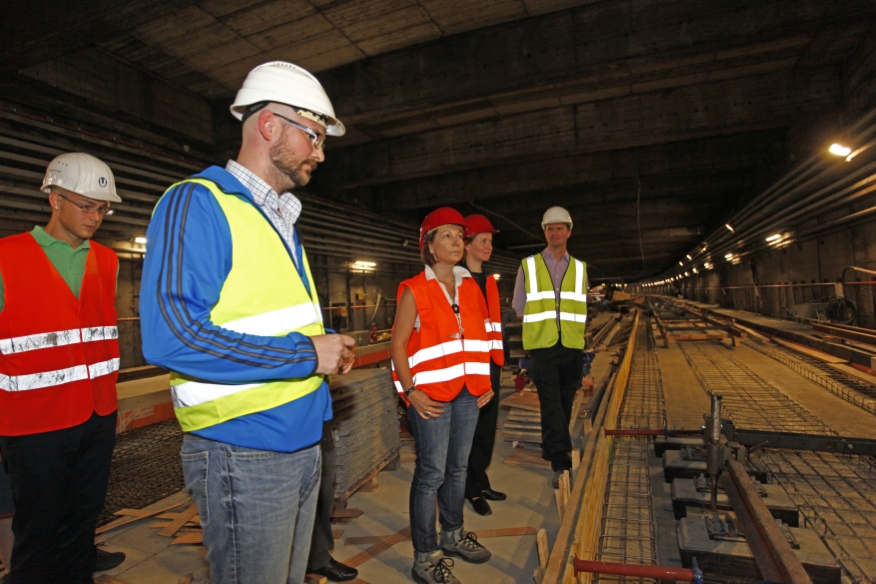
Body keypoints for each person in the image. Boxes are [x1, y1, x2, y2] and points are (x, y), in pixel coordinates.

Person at [139, 61, 356, 584]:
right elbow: (172, 335)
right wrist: (306, 355)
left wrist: (324, 351)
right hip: (244, 451)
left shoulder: (279, 217)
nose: (320, 153)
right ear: (269, 126)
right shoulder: (197, 203)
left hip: (301, 441)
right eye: (314, 136)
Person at [0, 153, 126, 583]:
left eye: (103, 207)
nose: (96, 216)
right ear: (54, 199)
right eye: (86, 205)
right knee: (36, 532)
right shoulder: (5, 257)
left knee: (81, 526)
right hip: (33, 424)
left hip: (97, 416)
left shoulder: (107, 261)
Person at [391, 207, 494, 584]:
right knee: (430, 474)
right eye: (446, 235)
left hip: (468, 393)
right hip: (430, 397)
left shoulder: (470, 287)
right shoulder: (414, 290)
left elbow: (479, 339)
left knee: (458, 469)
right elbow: (398, 346)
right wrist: (410, 392)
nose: (455, 241)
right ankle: (425, 555)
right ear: (430, 247)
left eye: (458, 235)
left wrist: (485, 383)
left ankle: (452, 534)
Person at [511, 206, 588, 489]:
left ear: (569, 231)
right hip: (543, 346)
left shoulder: (580, 268)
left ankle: (554, 446)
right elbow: (519, 308)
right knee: (552, 404)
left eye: (560, 228)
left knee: (565, 403)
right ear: (544, 232)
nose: (554, 233)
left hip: (572, 345)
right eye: (549, 228)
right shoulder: (528, 265)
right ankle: (559, 460)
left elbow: (580, 307)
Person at [461, 215, 506, 516]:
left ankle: (480, 478)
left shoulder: (488, 279)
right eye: (483, 241)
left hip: (491, 362)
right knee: (469, 429)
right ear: (467, 244)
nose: (489, 246)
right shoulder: (455, 279)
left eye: (490, 241)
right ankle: (469, 489)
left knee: (487, 427)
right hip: (468, 365)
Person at [306, 422, 358, 582]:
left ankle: (317, 557)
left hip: (313, 413)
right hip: (272, 420)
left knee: (324, 488)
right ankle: (312, 558)